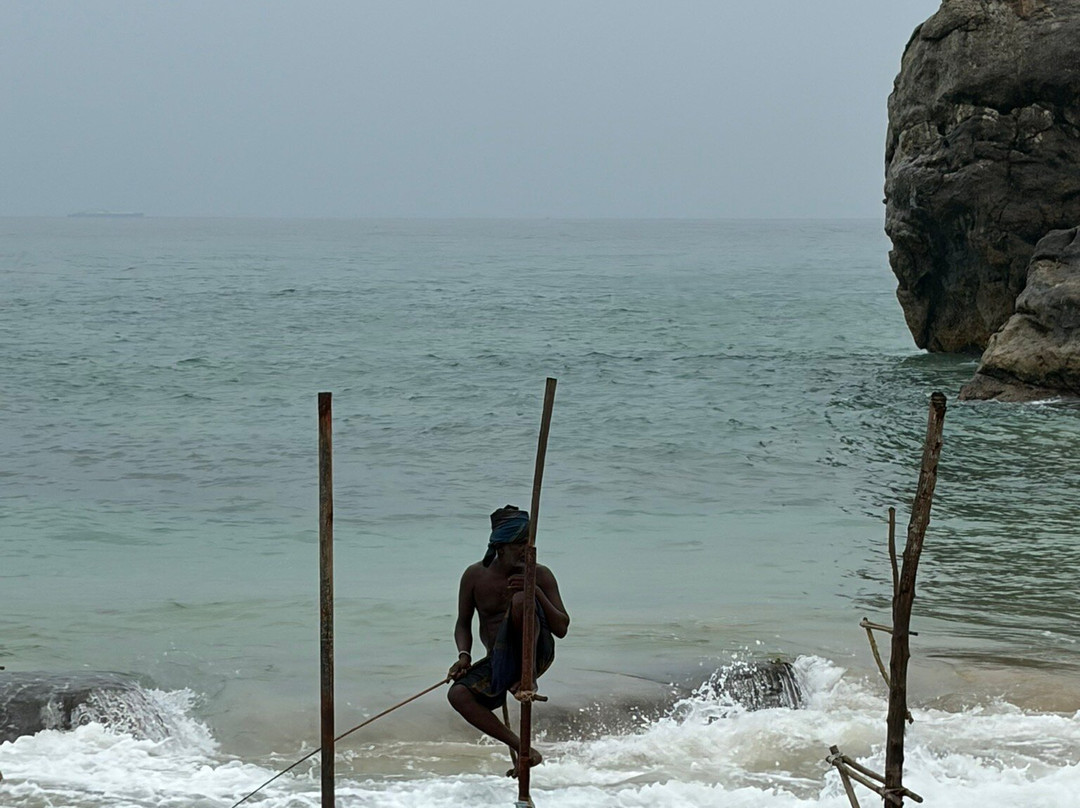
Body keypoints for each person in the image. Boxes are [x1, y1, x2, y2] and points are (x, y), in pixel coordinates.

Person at [447, 505, 570, 774]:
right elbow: (462, 623)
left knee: (519, 600)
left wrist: (534, 591)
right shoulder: (474, 576)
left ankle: (528, 679)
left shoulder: (540, 574)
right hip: (499, 660)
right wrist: (464, 656)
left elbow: (561, 628)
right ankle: (523, 749)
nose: (527, 551)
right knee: (458, 694)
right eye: (519, 545)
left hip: (537, 653)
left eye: (529, 544)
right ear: (501, 548)